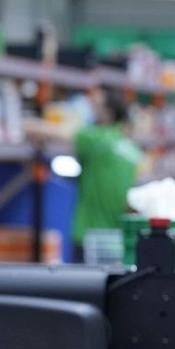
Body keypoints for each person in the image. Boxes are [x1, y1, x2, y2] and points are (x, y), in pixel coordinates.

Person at [24, 85, 143, 262]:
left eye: (95, 106)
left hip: (90, 234)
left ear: (108, 113)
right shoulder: (132, 149)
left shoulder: (99, 140)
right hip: (117, 236)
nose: (90, 110)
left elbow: (58, 132)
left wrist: (26, 124)